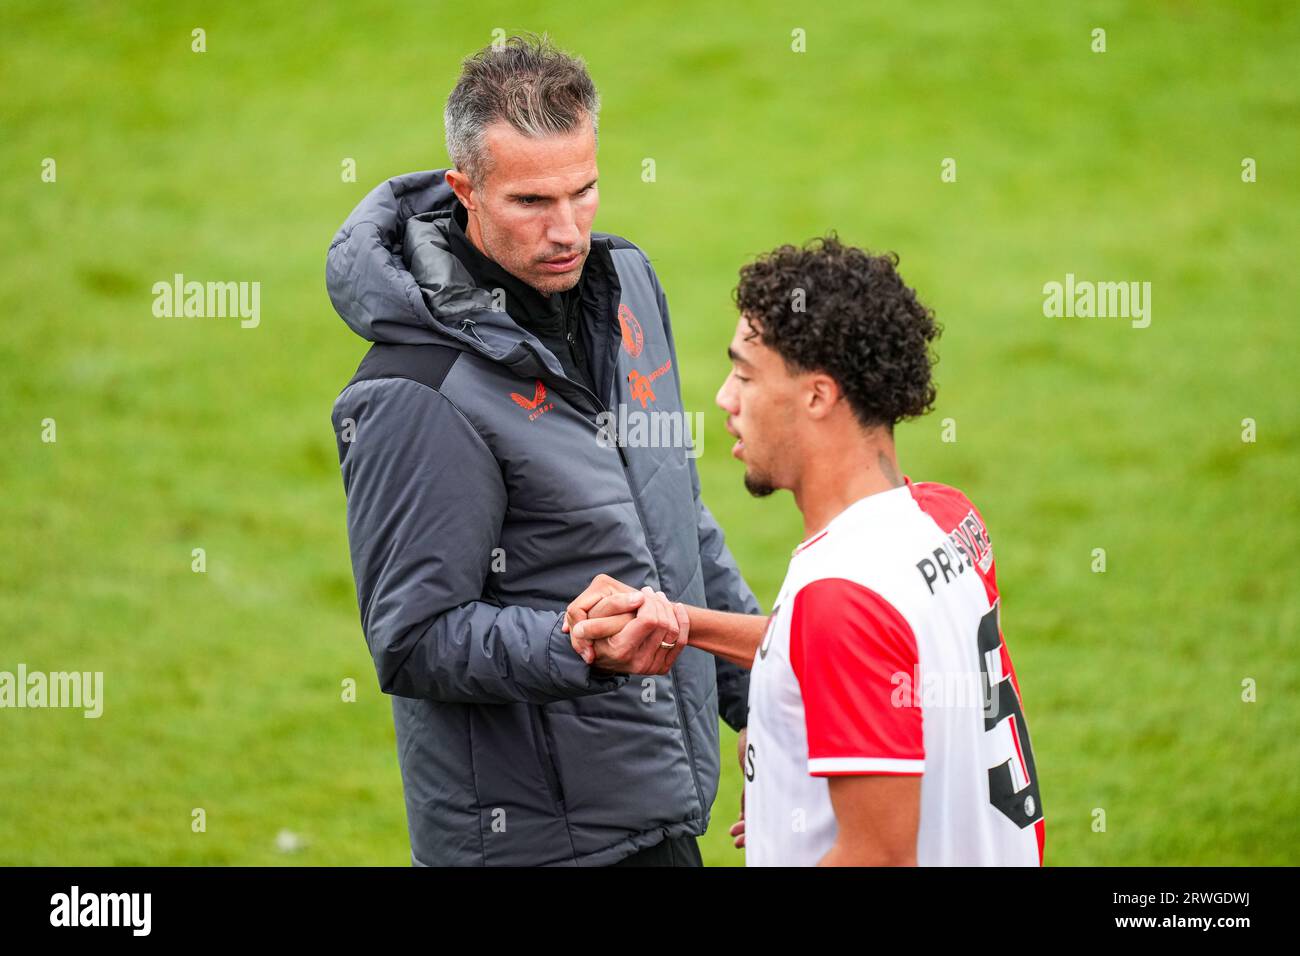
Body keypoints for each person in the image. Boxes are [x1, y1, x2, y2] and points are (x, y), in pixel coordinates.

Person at [327, 34, 759, 866]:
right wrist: (578, 648)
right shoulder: (413, 391)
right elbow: (414, 638)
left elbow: (672, 512)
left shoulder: (628, 284)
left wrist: (768, 698)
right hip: (533, 846)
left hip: (665, 813)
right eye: (532, 202)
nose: (568, 230)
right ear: (465, 191)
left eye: (585, 190)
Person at [568, 236, 1045, 865]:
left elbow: (877, 857)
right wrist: (680, 623)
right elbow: (843, 651)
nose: (725, 400)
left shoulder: (841, 594)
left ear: (818, 396)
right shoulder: (945, 518)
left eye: (744, 374)